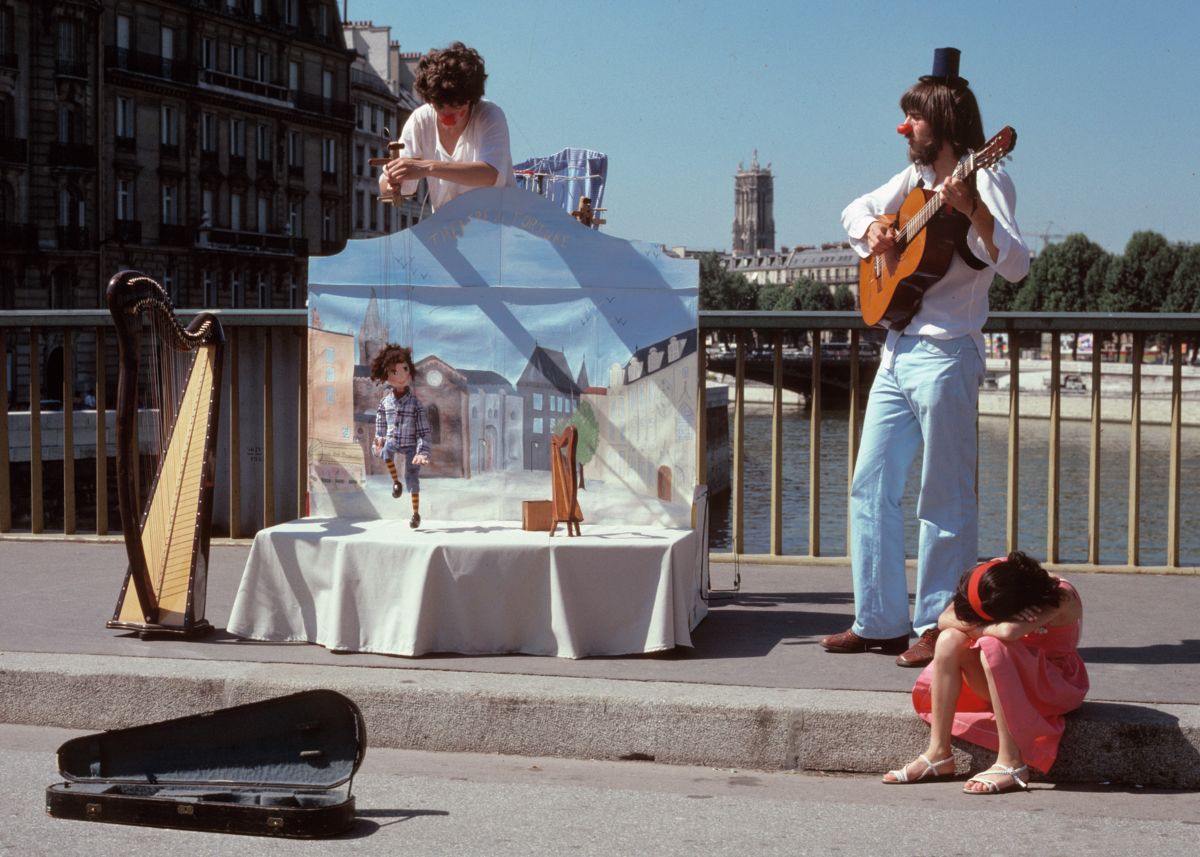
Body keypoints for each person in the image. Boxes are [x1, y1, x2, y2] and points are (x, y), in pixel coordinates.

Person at [820, 48, 1031, 667]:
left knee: (941, 497)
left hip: (947, 356)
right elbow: (852, 210)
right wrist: (874, 234)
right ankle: (878, 620)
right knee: (869, 487)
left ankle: (940, 626)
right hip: (898, 349)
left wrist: (972, 211)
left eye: (911, 118)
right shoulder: (910, 180)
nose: (902, 128)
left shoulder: (985, 178)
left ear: (939, 121)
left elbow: (1016, 265)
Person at [882, 552, 1088, 794]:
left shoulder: (1060, 595)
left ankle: (1011, 762)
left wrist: (983, 626)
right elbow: (944, 619)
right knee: (949, 639)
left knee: (993, 644)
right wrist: (990, 625)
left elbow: (1009, 632)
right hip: (1005, 676)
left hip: (1053, 685)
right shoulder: (994, 576)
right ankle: (939, 754)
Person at [378, 41, 515, 212]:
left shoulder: (490, 115)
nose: (448, 116)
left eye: (458, 107)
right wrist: (392, 183)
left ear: (471, 100)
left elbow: (489, 174)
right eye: (439, 106)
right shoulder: (421, 119)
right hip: (449, 231)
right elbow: (387, 187)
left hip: (496, 226)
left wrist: (427, 167)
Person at [371, 344, 431, 528]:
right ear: (386, 375)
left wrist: (422, 452)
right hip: (393, 441)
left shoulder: (415, 404)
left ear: (410, 372)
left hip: (411, 444)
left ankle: (415, 514)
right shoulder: (385, 402)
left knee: (412, 475)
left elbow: (423, 431)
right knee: (386, 451)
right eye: (394, 371)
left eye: (405, 369)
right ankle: (396, 482)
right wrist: (379, 439)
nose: (401, 375)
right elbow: (380, 422)